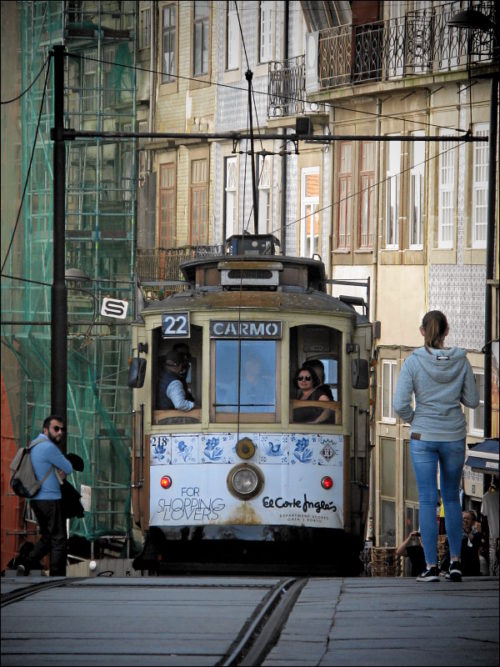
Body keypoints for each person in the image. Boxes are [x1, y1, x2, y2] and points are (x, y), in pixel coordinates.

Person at [393, 310, 479, 582]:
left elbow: (399, 405)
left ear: (422, 331)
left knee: (428, 501)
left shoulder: (413, 363)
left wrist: (416, 420)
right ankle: (455, 563)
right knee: (452, 498)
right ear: (446, 331)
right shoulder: (461, 361)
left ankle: (430, 566)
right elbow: (473, 401)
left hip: (423, 437)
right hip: (453, 435)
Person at [16, 415, 73, 577]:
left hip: (35, 499)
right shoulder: (49, 448)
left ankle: (25, 563)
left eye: (62, 429)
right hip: (50, 499)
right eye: (56, 429)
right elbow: (68, 468)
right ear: (45, 430)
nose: (60, 432)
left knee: (48, 537)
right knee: (59, 539)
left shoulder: (33, 445)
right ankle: (56, 576)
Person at [481, 481, 499, 576]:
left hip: (495, 530)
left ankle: (494, 569)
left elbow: (484, 513)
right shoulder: (487, 497)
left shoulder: (486, 497)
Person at [461, 510, 482, 576]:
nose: (465, 521)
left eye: (468, 519)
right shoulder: (457, 533)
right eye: (463, 518)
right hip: (460, 566)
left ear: (473, 522)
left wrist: (467, 531)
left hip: (473, 568)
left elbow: (475, 543)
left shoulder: (476, 533)